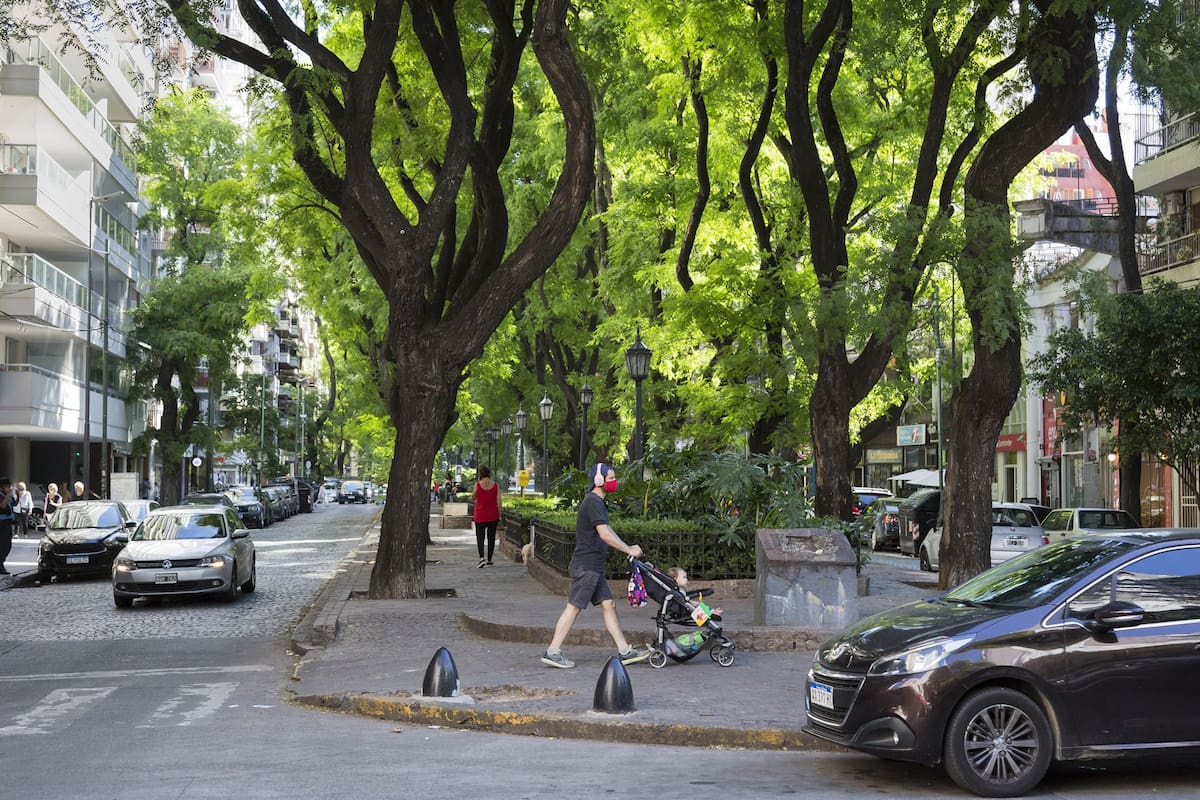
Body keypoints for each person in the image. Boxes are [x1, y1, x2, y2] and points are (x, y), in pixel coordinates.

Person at [541, 462, 650, 669]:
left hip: (593, 567)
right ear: (598, 480)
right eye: (610, 478)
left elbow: (607, 529)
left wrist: (628, 546)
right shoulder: (593, 502)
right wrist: (628, 550)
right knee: (573, 607)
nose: (614, 481)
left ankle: (625, 651)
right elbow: (605, 535)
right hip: (587, 567)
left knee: (609, 604)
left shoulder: (597, 503)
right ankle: (553, 651)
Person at [472, 466, 501, 568]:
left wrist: (478, 487)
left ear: (481, 474)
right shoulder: (495, 485)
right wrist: (499, 515)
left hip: (480, 515)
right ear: (489, 473)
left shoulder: (477, 484)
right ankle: (489, 559)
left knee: (480, 537)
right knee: (491, 538)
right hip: (493, 515)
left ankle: (481, 558)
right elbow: (499, 502)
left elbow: (473, 497)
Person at [0, 478, 15, 575]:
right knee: (3, 545)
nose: (9, 488)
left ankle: (1, 563)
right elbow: (2, 506)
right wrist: (8, 495)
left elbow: (14, 504)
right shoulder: (1, 496)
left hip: (8, 523)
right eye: (7, 486)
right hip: (1, 524)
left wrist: (16, 496)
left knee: (7, 545)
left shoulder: (6, 496)